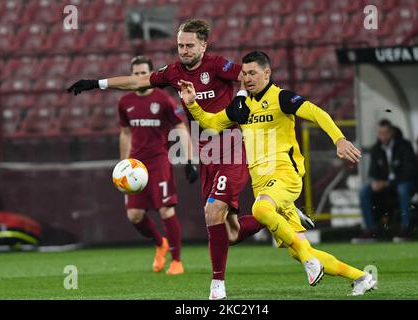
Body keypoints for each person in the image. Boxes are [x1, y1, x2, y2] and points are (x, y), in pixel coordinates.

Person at [68, 19, 269, 300]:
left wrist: (242, 96)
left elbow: (248, 75)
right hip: (206, 154)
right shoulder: (173, 72)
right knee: (231, 232)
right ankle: (272, 217)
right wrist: (96, 83)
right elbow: (138, 81)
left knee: (212, 213)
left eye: (189, 45)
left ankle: (217, 286)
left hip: (232, 149)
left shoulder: (217, 65)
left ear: (203, 45)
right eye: (180, 45)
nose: (184, 50)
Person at [179, 51, 378, 296]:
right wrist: (192, 104)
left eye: (253, 73)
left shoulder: (281, 97)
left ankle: (309, 261)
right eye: (245, 73)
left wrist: (339, 140)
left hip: (285, 173)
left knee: (260, 210)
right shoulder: (242, 107)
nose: (248, 78)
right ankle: (362, 277)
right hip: (262, 183)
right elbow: (211, 123)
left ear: (267, 73)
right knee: (298, 248)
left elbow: (316, 113)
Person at [118, 56, 196, 275]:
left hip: (159, 162)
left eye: (144, 73)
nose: (139, 77)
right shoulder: (125, 102)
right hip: (135, 165)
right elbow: (125, 133)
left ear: (151, 75)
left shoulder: (163, 99)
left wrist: (190, 160)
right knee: (134, 215)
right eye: (135, 73)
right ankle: (159, 243)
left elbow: (180, 128)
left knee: (166, 209)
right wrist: (123, 165)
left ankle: (177, 261)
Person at [353, 119, 418, 243]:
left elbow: (409, 172)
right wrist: (376, 182)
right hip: (385, 185)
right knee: (364, 191)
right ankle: (369, 230)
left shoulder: (404, 146)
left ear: (391, 132)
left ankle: (405, 229)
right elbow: (372, 172)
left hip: (403, 182)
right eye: (380, 133)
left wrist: (387, 183)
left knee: (403, 189)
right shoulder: (376, 149)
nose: (383, 136)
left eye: (385, 133)